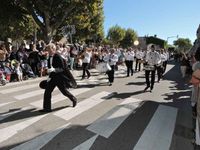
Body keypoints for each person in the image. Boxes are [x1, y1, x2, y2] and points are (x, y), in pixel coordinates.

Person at [40, 43, 77, 113]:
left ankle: (73, 99)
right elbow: (50, 68)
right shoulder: (49, 58)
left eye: (49, 50)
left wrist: (54, 69)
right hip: (52, 78)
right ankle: (47, 108)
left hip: (59, 78)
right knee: (47, 92)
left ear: (54, 49)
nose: (48, 51)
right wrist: (49, 75)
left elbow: (62, 68)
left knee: (64, 92)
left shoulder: (58, 56)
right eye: (47, 50)